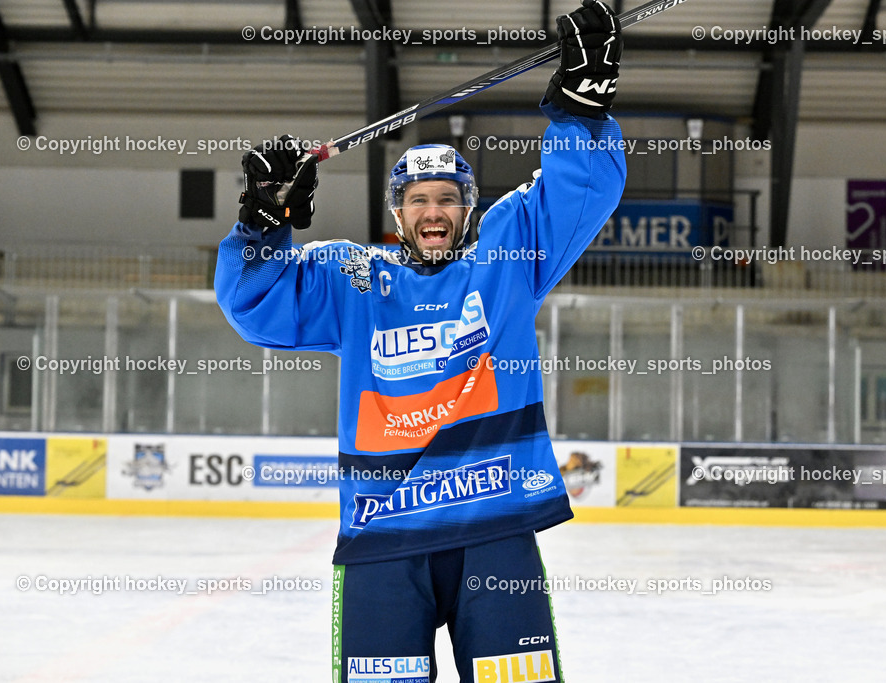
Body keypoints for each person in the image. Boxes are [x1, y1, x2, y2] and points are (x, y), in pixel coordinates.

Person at [215, 2, 625, 680]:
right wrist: (261, 226)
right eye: (418, 200)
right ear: (397, 213)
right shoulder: (352, 276)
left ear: (468, 209)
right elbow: (255, 304)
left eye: (447, 199)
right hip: (384, 538)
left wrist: (581, 107)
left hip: (495, 528)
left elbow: (579, 192)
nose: (433, 212)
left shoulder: (505, 258)